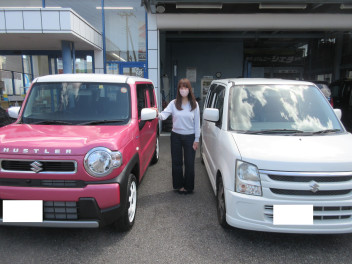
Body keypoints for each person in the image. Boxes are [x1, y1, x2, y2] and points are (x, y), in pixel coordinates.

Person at [158, 78, 200, 194]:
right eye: (181, 88)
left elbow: (197, 123)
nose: (183, 90)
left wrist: (196, 139)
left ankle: (188, 187)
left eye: (185, 88)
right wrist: (156, 113)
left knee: (189, 162)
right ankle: (178, 185)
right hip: (176, 136)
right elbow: (163, 115)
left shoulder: (194, 104)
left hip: (190, 137)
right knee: (176, 162)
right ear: (178, 90)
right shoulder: (173, 103)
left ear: (189, 89)